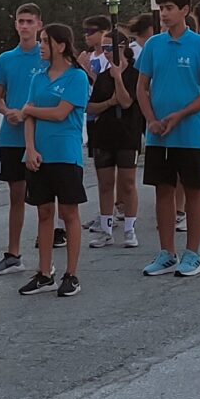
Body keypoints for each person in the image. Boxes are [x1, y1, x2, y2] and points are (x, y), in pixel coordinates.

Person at [134, 0, 200, 277]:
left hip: (192, 133)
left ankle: (193, 254)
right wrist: (151, 120)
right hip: (159, 135)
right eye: (161, 8)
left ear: (185, 10)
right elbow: (141, 87)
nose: (164, 13)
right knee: (163, 191)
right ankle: (166, 253)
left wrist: (182, 114)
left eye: (169, 8)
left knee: (194, 191)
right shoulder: (153, 45)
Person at [16, 21, 91, 297]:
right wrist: (30, 148)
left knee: (69, 213)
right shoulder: (38, 78)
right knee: (44, 212)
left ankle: (71, 274)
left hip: (66, 155)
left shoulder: (77, 77)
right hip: (40, 155)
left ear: (60, 45)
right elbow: (28, 117)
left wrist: (29, 110)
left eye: (46, 41)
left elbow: (60, 113)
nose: (41, 46)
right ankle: (45, 273)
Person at [0, 5, 47, 278]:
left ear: (39, 24)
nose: (24, 26)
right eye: (20, 21)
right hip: (11, 136)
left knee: (44, 195)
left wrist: (30, 112)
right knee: (16, 195)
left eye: (29, 21)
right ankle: (13, 254)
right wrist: (7, 111)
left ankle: (48, 252)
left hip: (39, 136)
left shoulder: (46, 56)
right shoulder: (6, 59)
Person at [82, 16, 142, 249]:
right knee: (105, 183)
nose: (105, 53)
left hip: (127, 133)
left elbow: (126, 102)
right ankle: (106, 229)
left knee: (127, 183)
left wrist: (118, 78)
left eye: (109, 48)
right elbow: (91, 106)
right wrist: (108, 102)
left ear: (122, 48)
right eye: (103, 48)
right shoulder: (102, 77)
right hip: (104, 134)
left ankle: (129, 228)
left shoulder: (134, 74)